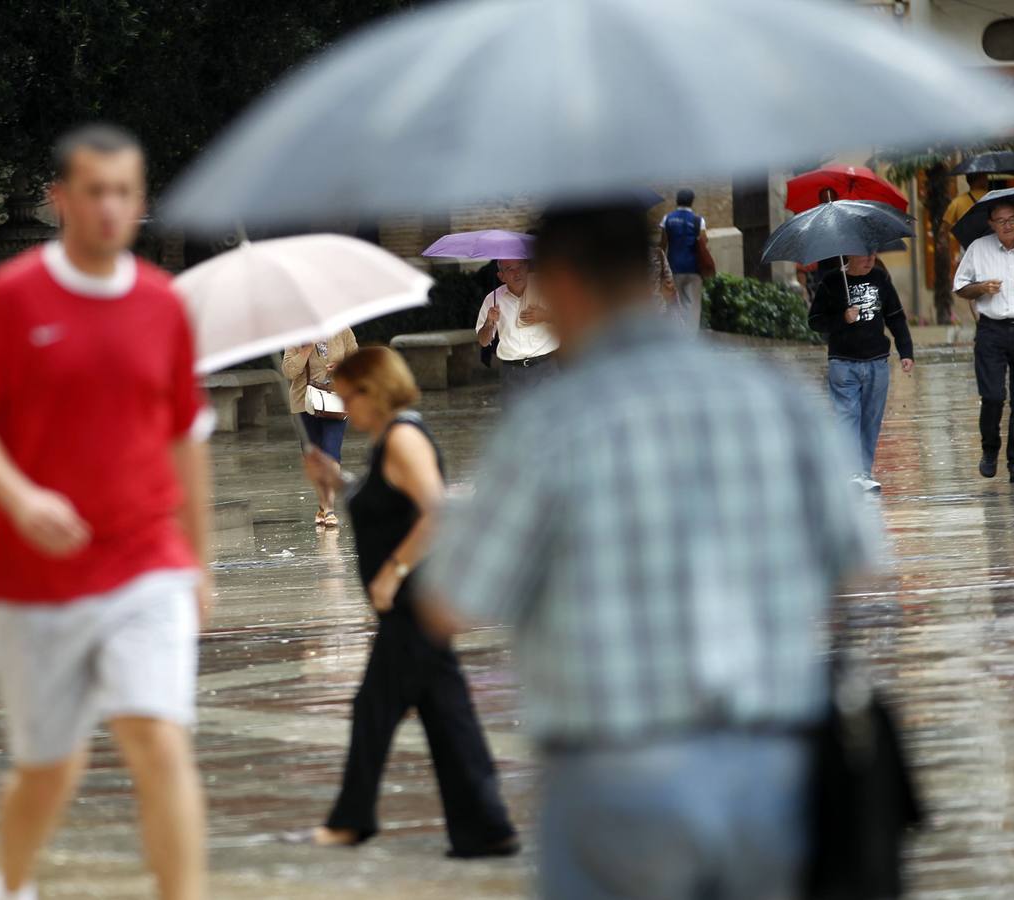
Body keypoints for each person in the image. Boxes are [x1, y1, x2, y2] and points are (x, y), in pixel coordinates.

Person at [422, 204, 878, 900]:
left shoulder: (550, 426)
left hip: (613, 778)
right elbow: (855, 560)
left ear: (567, 283)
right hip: (770, 766)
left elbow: (454, 602)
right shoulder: (772, 398)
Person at [0, 124, 212, 900]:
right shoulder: (13, 295)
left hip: (145, 559)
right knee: (50, 768)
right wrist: (23, 496)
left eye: (124, 191)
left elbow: (188, 440)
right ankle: (12, 883)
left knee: (158, 740)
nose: (109, 206)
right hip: (37, 582)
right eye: (94, 190)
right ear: (60, 199)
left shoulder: (163, 304)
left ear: (141, 202)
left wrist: (198, 560)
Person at [302, 347, 518, 858]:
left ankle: (352, 820)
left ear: (372, 392)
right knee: (448, 715)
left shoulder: (402, 437)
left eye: (348, 395)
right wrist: (337, 483)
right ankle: (486, 827)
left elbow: (436, 512)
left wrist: (393, 574)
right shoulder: (388, 441)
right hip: (411, 603)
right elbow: (389, 505)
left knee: (374, 709)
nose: (344, 406)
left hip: (414, 600)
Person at [808, 253, 916, 493]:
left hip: (877, 362)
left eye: (873, 253)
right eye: (864, 254)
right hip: (843, 363)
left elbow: (895, 317)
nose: (870, 259)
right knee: (846, 417)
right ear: (849, 254)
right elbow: (815, 321)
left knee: (870, 419)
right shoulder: (831, 282)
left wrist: (906, 351)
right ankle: (850, 472)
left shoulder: (881, 279)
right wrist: (842, 318)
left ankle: (864, 472)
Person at [955, 200, 1014, 483]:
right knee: (993, 395)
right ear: (991, 224)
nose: (1007, 225)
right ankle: (990, 448)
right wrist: (981, 288)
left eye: (1011, 219)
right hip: (991, 331)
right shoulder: (978, 249)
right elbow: (961, 287)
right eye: (1001, 220)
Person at [283, 328, 358, 527]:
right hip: (304, 404)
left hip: (336, 400)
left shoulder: (343, 329)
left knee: (331, 452)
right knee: (314, 457)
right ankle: (323, 505)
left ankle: (329, 509)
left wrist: (342, 366)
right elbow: (289, 371)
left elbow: (357, 361)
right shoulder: (297, 335)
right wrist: (306, 350)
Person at [476, 259, 559, 402]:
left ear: (527, 268)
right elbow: (483, 341)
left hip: (546, 368)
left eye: (520, 267)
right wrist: (489, 322)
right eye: (510, 269)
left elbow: (570, 319)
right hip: (512, 373)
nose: (517, 273)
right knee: (517, 422)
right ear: (501, 276)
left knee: (551, 420)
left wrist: (544, 315)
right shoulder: (493, 300)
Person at [660, 188, 711, 330]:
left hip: (673, 268)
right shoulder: (698, 221)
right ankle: (690, 339)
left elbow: (662, 244)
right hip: (693, 269)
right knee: (692, 306)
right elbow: (704, 241)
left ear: (677, 200)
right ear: (691, 202)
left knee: (673, 303)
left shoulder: (667, 219)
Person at [941, 172, 991, 275]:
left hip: (968, 249)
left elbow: (944, 229)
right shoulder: (994, 198)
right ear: (981, 179)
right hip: (991, 247)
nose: (987, 179)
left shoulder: (957, 202)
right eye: (985, 176)